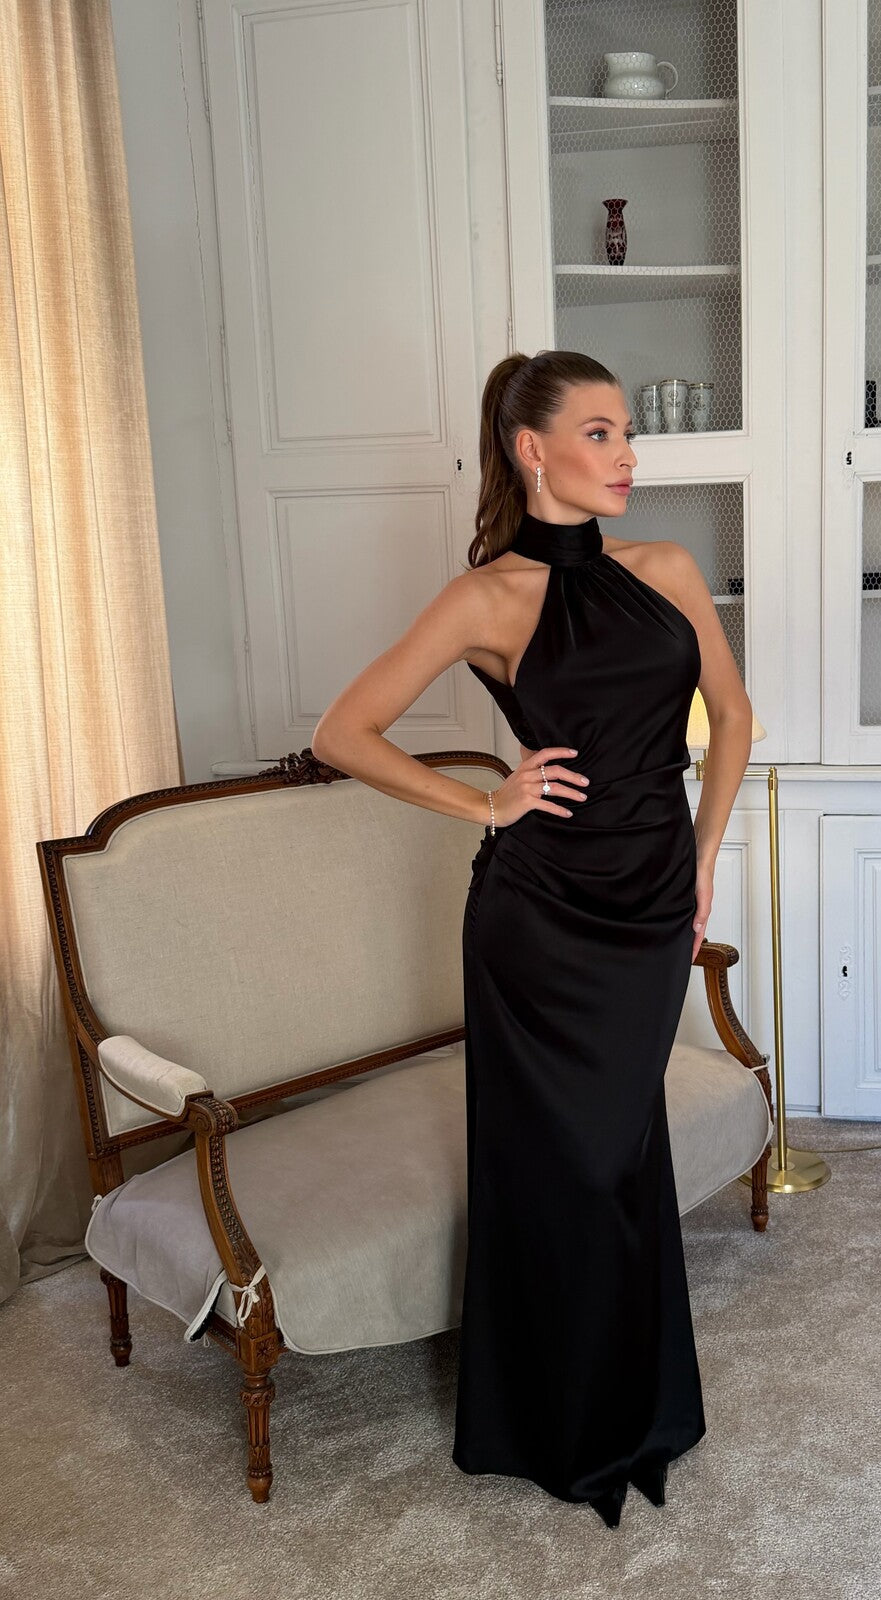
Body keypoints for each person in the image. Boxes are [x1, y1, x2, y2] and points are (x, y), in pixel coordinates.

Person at [311, 349, 752, 1527]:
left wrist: (703, 853)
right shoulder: (484, 599)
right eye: (599, 433)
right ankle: (561, 1420)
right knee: (563, 1162)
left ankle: (638, 1401)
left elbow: (731, 715)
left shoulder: (665, 568)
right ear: (531, 449)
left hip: (648, 903)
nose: (627, 455)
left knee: (619, 1151)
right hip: (538, 919)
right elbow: (343, 731)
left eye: (625, 431)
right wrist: (484, 804)